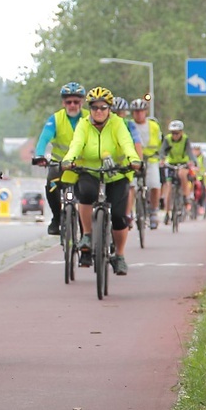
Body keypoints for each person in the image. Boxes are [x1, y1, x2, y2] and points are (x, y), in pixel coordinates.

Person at [60, 86, 141, 275]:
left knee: (120, 217)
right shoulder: (83, 124)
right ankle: (87, 235)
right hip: (90, 171)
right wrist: (68, 159)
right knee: (86, 193)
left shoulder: (118, 123)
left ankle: (119, 256)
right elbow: (77, 144)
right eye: (94, 107)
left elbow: (127, 143)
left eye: (103, 107)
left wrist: (134, 159)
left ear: (109, 109)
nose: (98, 111)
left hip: (117, 172)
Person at [32, 82, 89, 235]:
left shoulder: (89, 119)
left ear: (82, 102)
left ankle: (88, 230)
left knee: (89, 194)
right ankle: (57, 218)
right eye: (68, 102)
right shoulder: (56, 119)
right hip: (60, 165)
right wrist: (39, 155)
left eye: (76, 102)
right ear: (63, 102)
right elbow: (44, 139)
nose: (72, 105)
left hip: (83, 166)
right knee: (51, 186)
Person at [129, 98, 162, 229]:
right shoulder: (129, 125)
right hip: (133, 161)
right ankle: (129, 214)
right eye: (136, 111)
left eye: (141, 111)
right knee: (130, 187)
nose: (139, 114)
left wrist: (159, 154)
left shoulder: (153, 125)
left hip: (151, 160)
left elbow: (160, 141)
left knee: (154, 185)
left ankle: (153, 211)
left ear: (146, 112)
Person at [111, 96, 142, 228]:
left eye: (121, 113)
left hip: (125, 164)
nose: (118, 116)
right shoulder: (106, 124)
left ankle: (127, 214)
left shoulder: (129, 125)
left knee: (130, 186)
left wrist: (138, 162)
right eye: (115, 113)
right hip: (106, 163)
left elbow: (137, 144)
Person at [159, 119, 196, 224]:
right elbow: (162, 151)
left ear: (181, 132)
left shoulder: (185, 139)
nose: (175, 135)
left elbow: (190, 152)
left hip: (183, 163)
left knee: (182, 174)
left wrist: (192, 161)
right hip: (171, 164)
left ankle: (185, 196)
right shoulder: (167, 139)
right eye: (173, 133)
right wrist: (162, 160)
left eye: (177, 133)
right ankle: (167, 213)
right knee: (169, 187)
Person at [191, 143, 206, 214]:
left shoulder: (202, 158)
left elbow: (205, 167)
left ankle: (201, 205)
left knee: (202, 191)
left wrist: (201, 171)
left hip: (200, 177)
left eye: (197, 150)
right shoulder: (191, 157)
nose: (196, 152)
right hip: (191, 177)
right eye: (194, 150)